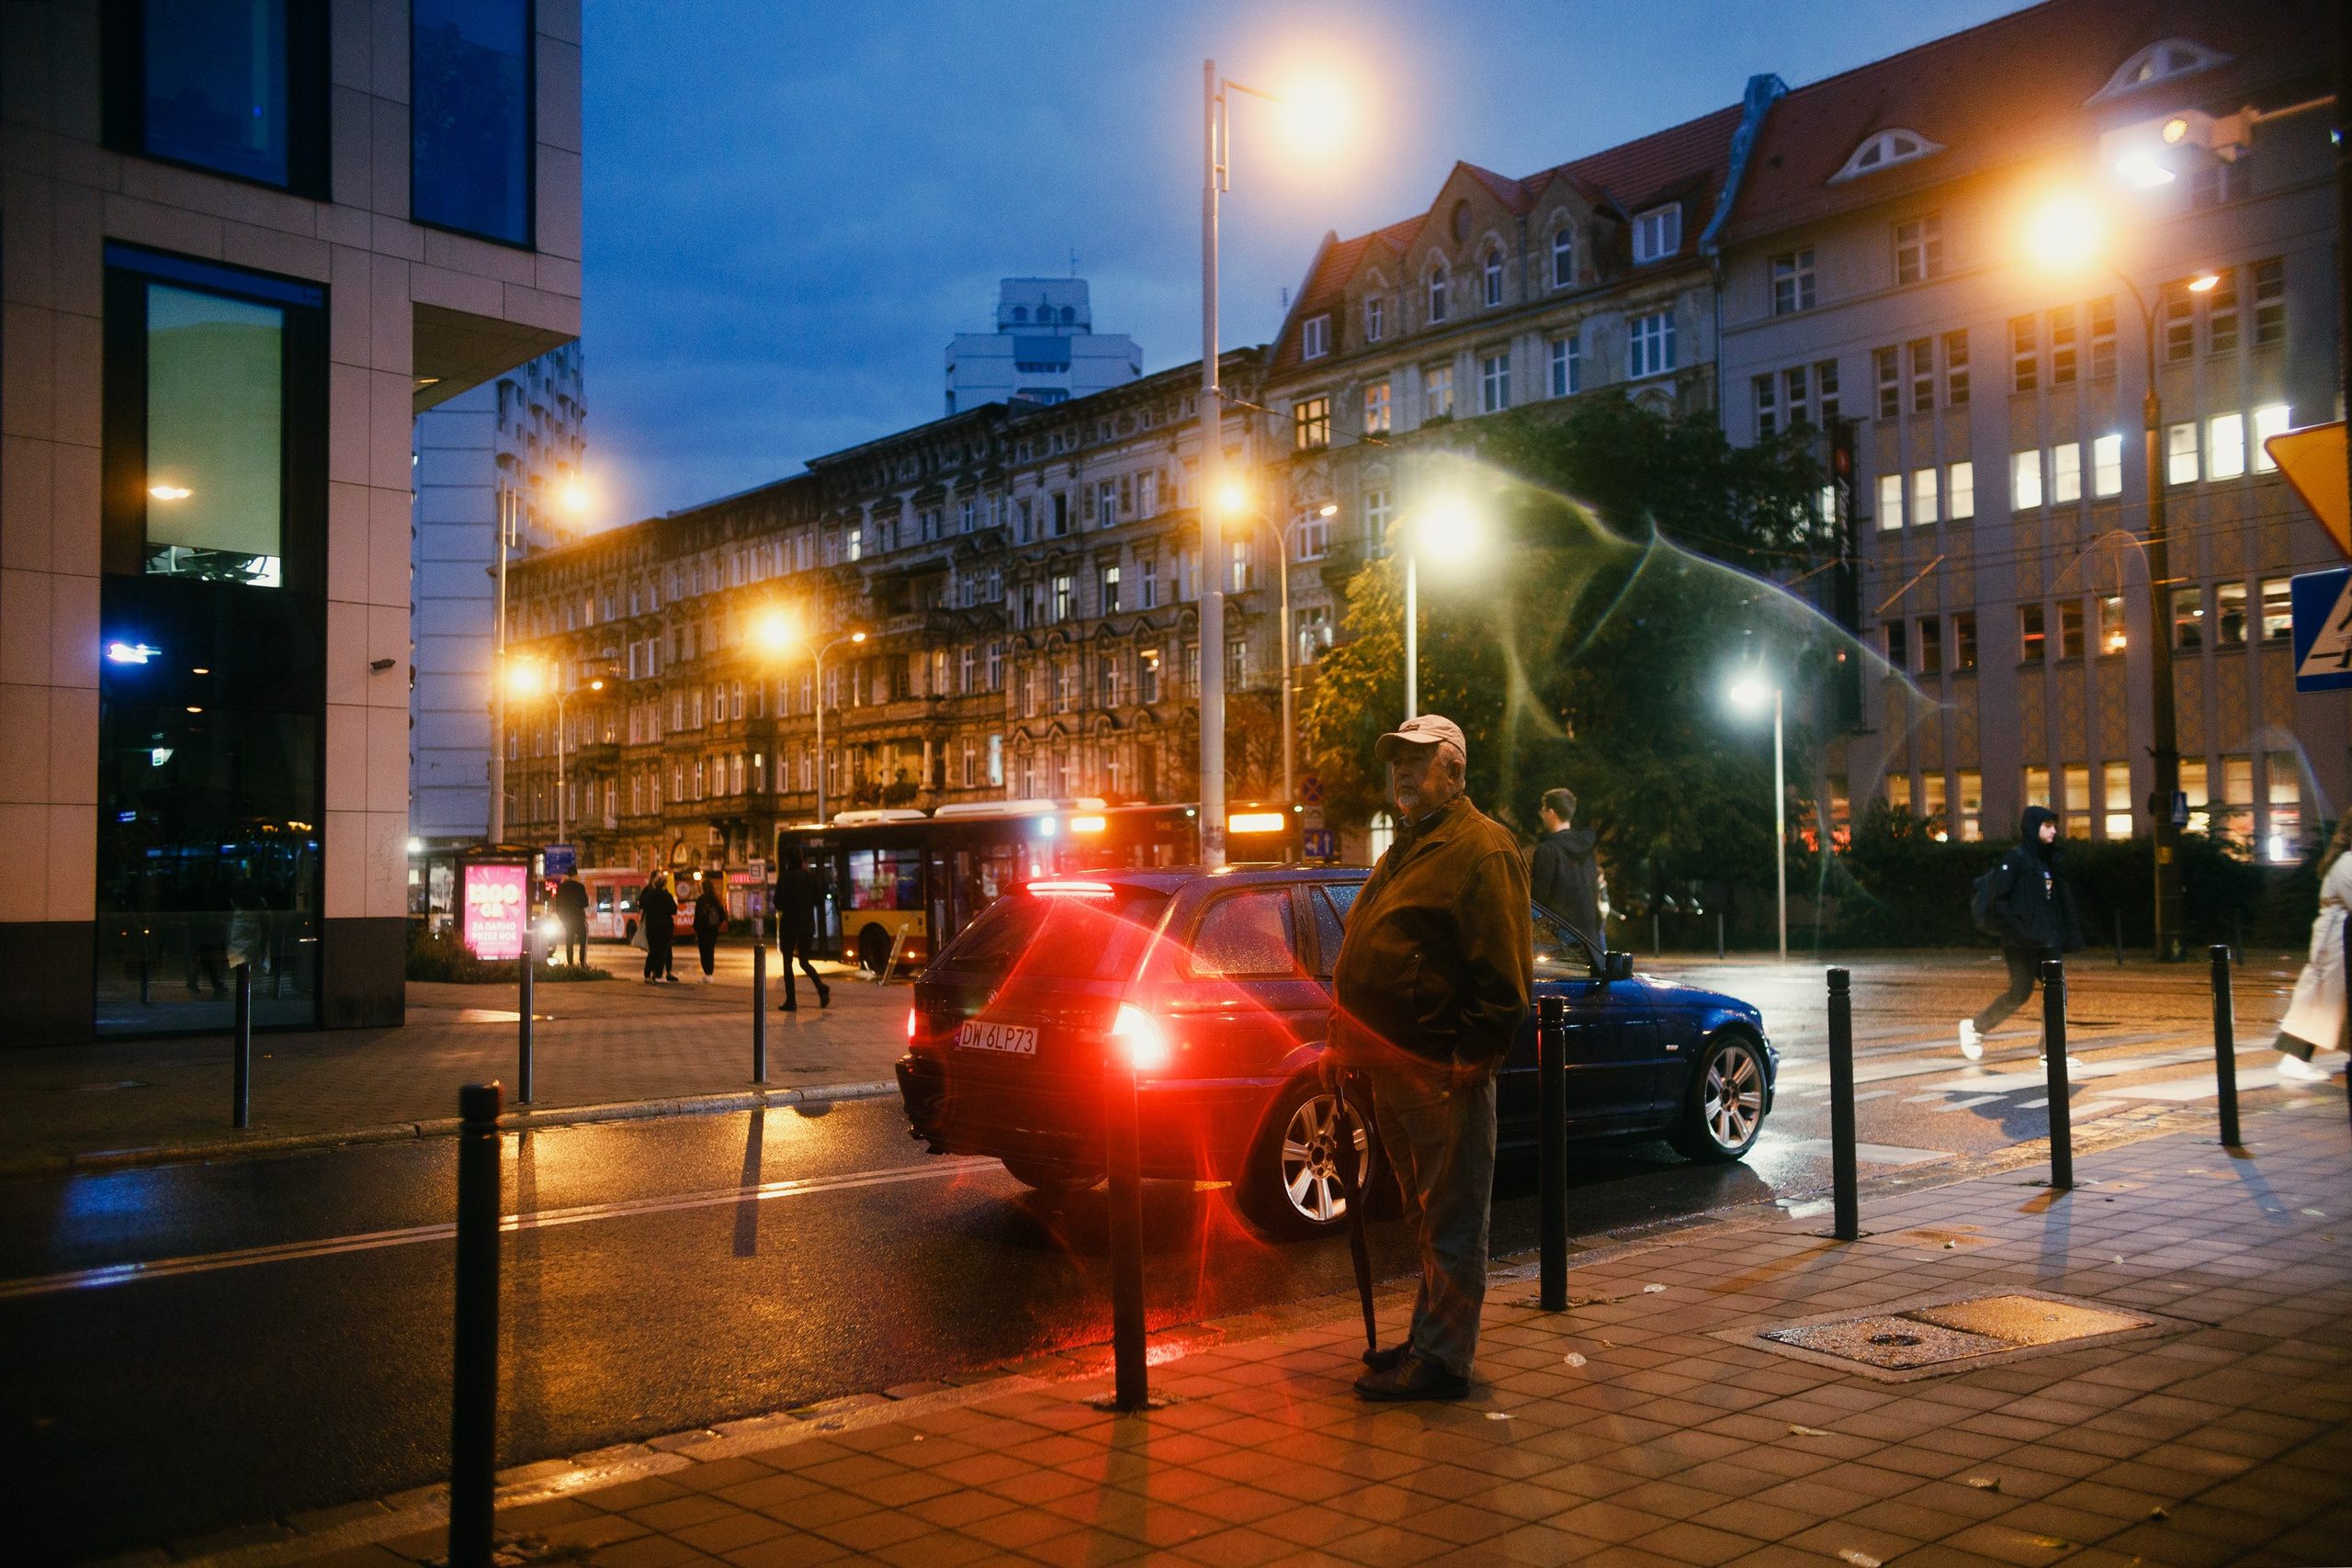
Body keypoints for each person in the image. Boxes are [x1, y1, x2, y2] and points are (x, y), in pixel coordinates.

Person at [1325, 713, 1532, 1402]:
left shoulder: (1482, 848)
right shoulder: (1408, 846)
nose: (1402, 770)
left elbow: (1504, 981)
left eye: (1417, 758)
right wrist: (1341, 1042)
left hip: (1440, 1071)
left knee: (1451, 1216)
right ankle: (1429, 1335)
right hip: (1393, 1066)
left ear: (1455, 769)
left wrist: (1467, 1060)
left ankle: (1443, 1362)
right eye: (1396, 759)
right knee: (1424, 1213)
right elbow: (1367, 952)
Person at [1960, 806, 2085, 1062]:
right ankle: (1974, 1028)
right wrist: (2020, 929)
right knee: (2020, 992)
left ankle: (2051, 1053)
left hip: (2046, 940)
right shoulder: (2015, 859)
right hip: (2019, 942)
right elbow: (1999, 900)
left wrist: (2061, 933)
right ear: (2033, 827)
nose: (2054, 830)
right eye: (2047, 825)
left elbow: (2053, 901)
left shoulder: (2047, 859)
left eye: (2054, 826)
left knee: (2057, 990)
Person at [2271, 816, 2352, 1082]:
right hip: (2336, 940)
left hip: (2338, 937)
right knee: (2321, 1001)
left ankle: (2295, 1058)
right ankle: (2294, 1058)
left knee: (2325, 1001)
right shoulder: (2347, 863)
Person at [1528, 786, 1602, 944]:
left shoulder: (1547, 850)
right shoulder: (1587, 849)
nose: (1541, 814)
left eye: (1543, 809)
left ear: (1551, 813)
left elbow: (1539, 902)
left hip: (1561, 942)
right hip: (1589, 940)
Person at [773, 853, 831, 1011]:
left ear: (788, 861)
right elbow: (819, 901)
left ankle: (791, 1001)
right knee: (804, 961)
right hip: (807, 925)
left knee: (787, 963)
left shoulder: (785, 878)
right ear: (801, 861)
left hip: (790, 925)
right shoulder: (809, 877)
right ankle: (821, 988)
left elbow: (778, 904)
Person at [639, 871, 679, 985]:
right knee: (661, 951)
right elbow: (673, 910)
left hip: (651, 925)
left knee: (653, 951)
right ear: (664, 885)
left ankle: (647, 974)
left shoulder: (649, 894)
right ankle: (658, 975)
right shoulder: (666, 895)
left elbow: (642, 904)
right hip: (664, 926)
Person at [692, 874, 728, 983]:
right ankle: (709, 974)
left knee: (703, 952)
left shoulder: (701, 900)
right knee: (710, 951)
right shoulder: (716, 900)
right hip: (713, 930)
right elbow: (723, 916)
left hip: (703, 930)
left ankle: (707, 973)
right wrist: (717, 924)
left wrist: (696, 928)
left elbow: (697, 916)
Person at [550, 871, 589, 967]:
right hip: (579, 919)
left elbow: (557, 906)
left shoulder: (562, 888)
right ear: (576, 875)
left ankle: (570, 964)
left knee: (569, 943)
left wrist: (563, 918)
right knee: (583, 942)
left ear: (568, 875)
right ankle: (582, 964)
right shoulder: (580, 887)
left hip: (567, 920)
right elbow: (585, 903)